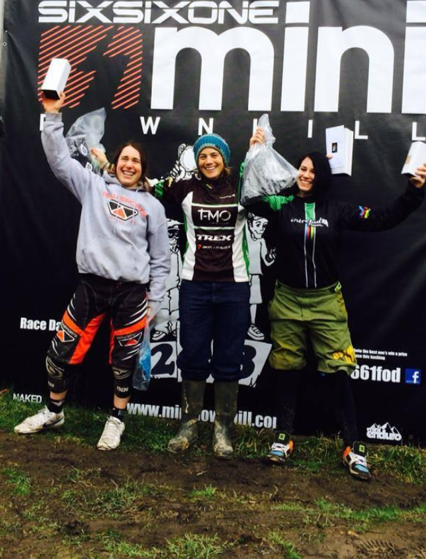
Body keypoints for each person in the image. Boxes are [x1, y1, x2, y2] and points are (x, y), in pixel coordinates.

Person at [247, 140, 426, 480]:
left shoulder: (337, 209)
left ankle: (352, 445)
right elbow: (249, 197)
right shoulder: (281, 204)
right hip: (286, 300)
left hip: (327, 302)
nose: (306, 175)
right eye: (302, 169)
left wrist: (414, 192)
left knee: (339, 369)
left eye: (313, 171)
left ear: (324, 177)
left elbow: (383, 219)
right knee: (286, 367)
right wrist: (255, 155)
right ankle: (283, 437)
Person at [15, 93, 170, 450]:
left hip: (132, 293)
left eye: (136, 161)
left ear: (143, 169)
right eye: (124, 158)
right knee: (58, 355)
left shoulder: (153, 207)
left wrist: (155, 303)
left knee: (124, 362)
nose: (129, 164)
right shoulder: (93, 185)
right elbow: (58, 160)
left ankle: (116, 420)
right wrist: (52, 115)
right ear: (114, 163)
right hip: (91, 286)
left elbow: (162, 260)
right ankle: (54, 411)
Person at [155, 132, 265, 458]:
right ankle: (189, 424)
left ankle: (223, 430)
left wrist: (256, 149)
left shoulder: (241, 188)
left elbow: (263, 177)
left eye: (214, 155)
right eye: (203, 156)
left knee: (229, 359)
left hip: (234, 286)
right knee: (193, 355)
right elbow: (148, 185)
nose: (208, 160)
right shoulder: (184, 188)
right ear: (197, 162)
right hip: (195, 286)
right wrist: (108, 167)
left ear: (224, 159)